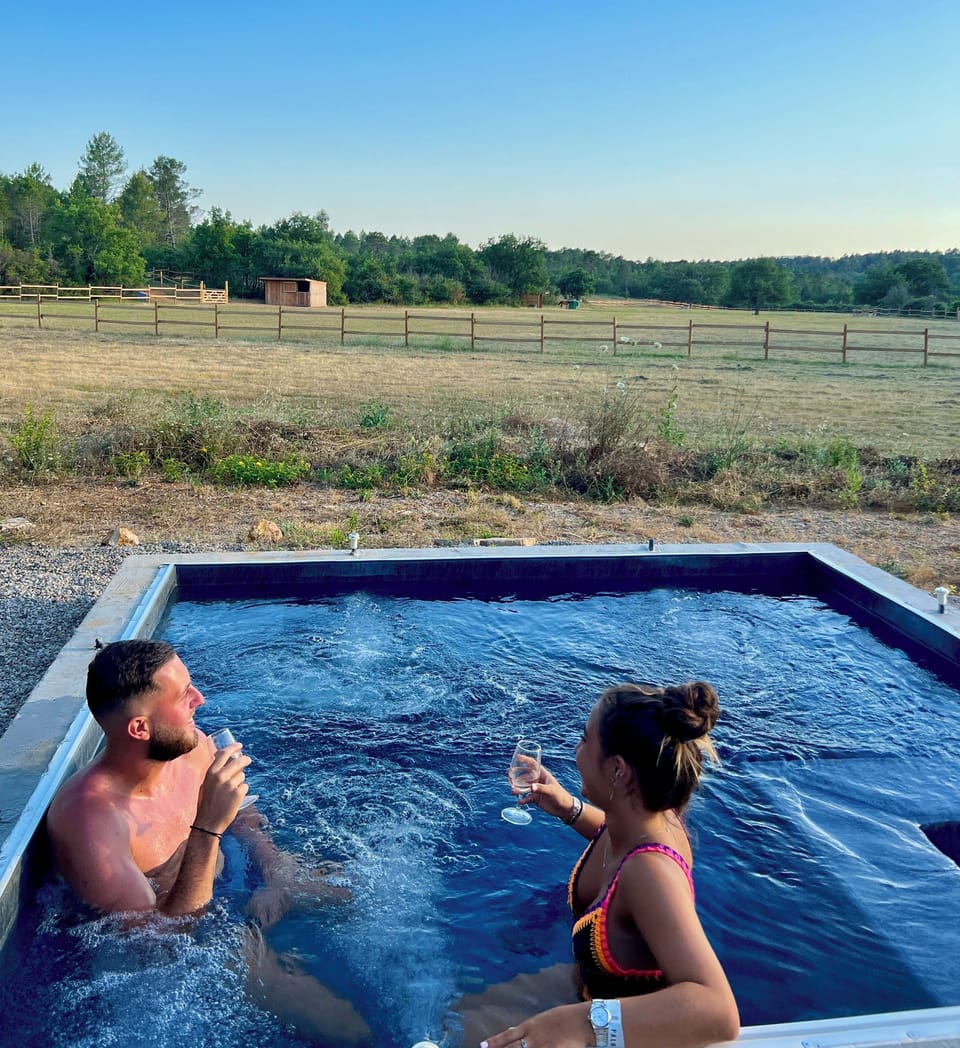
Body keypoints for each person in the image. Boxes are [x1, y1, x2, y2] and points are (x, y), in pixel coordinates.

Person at [46, 638, 371, 1045]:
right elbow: (160, 942)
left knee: (363, 897)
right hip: (183, 945)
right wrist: (208, 828)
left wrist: (275, 869)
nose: (199, 699)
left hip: (223, 886)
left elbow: (241, 810)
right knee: (339, 1023)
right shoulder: (92, 822)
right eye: (184, 696)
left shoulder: (190, 745)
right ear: (140, 728)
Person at [479, 681, 740, 1048]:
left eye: (585, 740)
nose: (576, 750)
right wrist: (567, 807)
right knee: (450, 1024)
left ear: (618, 771)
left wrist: (582, 1023)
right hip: (587, 992)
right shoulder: (647, 817)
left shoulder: (650, 872)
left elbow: (720, 1012)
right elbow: (613, 835)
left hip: (609, 1023)